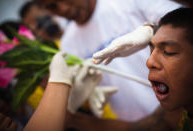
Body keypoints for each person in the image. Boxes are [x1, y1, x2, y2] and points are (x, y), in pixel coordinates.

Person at [24, 8, 193, 131]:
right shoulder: (178, 114)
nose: (149, 62)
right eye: (150, 49)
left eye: (168, 52)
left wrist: (150, 28)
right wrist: (71, 116)